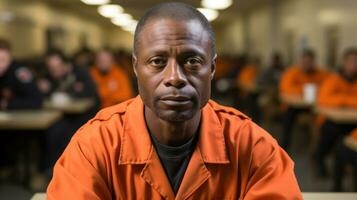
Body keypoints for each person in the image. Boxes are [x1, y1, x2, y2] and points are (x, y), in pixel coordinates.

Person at [47, 3, 302, 199]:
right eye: (157, 62)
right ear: (136, 67)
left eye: (192, 61)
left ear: (212, 68)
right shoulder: (94, 147)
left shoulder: (254, 149)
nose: (174, 78)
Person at [39, 50, 99, 170]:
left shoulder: (80, 72)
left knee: (61, 133)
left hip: (83, 115)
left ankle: (63, 168)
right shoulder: (49, 76)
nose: (54, 71)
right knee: (48, 132)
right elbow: (43, 95)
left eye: (57, 67)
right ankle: (51, 168)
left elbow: (91, 93)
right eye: (51, 68)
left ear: (65, 64)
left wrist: (70, 96)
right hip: (60, 115)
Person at [314, 48, 357, 177]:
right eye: (351, 61)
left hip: (353, 121)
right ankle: (320, 156)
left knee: (344, 143)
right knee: (332, 129)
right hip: (332, 119)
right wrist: (348, 101)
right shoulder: (333, 79)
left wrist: (342, 101)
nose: (354, 65)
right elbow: (324, 99)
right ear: (344, 63)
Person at [279, 49, 328, 150]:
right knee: (288, 115)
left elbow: (327, 88)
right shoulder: (291, 73)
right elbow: (286, 88)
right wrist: (306, 88)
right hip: (296, 106)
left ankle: (319, 146)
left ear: (313, 62)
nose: (307, 64)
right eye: (304, 62)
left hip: (316, 106)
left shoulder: (322, 74)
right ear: (300, 61)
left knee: (326, 120)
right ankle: (285, 144)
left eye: (309, 62)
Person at [0, 38, 43, 110]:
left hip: (20, 117)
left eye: (3, 60)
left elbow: (36, 101)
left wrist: (7, 104)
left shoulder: (20, 72)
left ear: (10, 59)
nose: (0, 65)